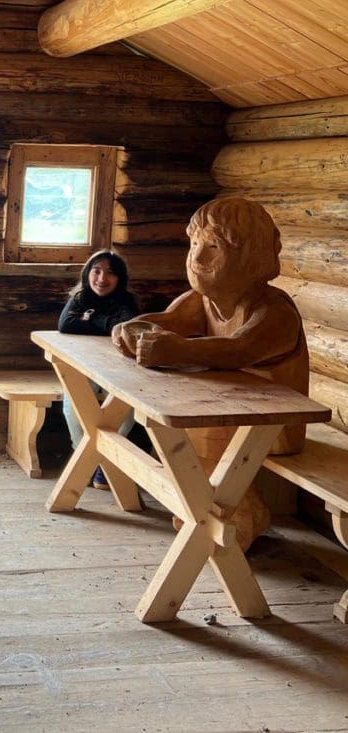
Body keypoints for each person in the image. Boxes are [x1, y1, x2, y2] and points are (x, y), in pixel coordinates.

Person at [111, 196, 308, 550]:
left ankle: (238, 513)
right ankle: (201, 505)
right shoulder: (204, 301)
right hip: (235, 410)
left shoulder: (274, 311)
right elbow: (170, 322)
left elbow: (238, 349)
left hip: (274, 426)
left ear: (253, 256)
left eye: (213, 246)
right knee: (174, 421)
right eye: (195, 244)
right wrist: (133, 327)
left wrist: (177, 349)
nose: (197, 258)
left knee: (192, 425)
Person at [58, 249, 140, 489]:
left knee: (128, 404)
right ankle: (84, 455)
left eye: (110, 273)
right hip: (84, 364)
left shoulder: (126, 300)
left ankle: (105, 460)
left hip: (118, 369)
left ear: (120, 278)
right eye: (97, 271)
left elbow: (126, 327)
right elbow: (65, 324)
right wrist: (105, 323)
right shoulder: (81, 297)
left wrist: (88, 321)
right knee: (73, 399)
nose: (102, 279)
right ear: (88, 273)